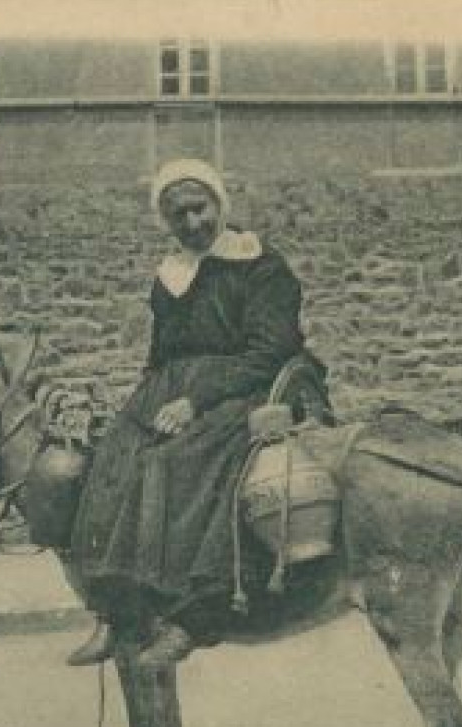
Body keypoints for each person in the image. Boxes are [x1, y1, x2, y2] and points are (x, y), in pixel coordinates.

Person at [63, 159, 315, 669]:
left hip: (248, 388)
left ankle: (196, 612)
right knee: (115, 454)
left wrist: (195, 400)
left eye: (199, 209)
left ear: (219, 204)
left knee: (187, 456)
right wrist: (142, 404)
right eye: (179, 216)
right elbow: (160, 355)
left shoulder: (260, 265)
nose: (192, 223)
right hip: (172, 389)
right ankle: (119, 609)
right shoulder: (169, 278)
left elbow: (271, 349)